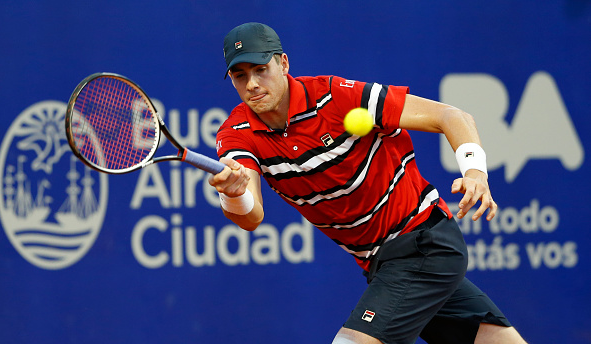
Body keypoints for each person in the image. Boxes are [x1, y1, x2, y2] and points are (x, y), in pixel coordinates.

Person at [209, 22, 527, 344]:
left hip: (423, 241)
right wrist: (233, 195)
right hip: (382, 263)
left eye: (261, 69)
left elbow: (452, 116)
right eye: (240, 75)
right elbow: (251, 217)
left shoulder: (337, 96)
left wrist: (475, 173)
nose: (252, 84)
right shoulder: (236, 135)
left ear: (284, 63)